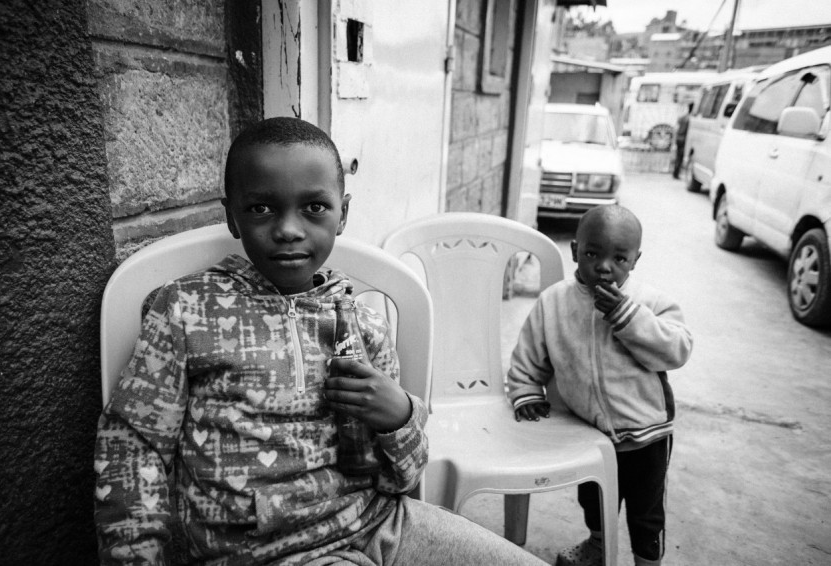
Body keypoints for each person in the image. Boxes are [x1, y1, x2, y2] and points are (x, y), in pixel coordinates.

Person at [94, 116, 549, 566]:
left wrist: (401, 416)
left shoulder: (364, 323)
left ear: (342, 214)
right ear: (231, 215)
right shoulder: (187, 308)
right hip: (259, 551)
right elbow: (133, 445)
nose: (289, 229)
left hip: (380, 526)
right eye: (260, 208)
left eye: (314, 208)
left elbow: (401, 479)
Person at [507, 205, 693, 566]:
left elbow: (677, 348)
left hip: (647, 433)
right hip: (590, 435)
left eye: (619, 258)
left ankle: (647, 560)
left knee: (646, 513)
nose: (605, 266)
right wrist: (526, 390)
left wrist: (628, 316)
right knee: (593, 502)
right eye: (593, 253)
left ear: (635, 260)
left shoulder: (650, 302)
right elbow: (529, 354)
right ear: (576, 251)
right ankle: (598, 544)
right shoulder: (554, 302)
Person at [673, 103, 693, 179]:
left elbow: (676, 129)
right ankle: (676, 173)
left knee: (678, 156)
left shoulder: (682, 117)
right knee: (680, 157)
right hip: (684, 140)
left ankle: (676, 172)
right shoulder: (690, 119)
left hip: (679, 138)